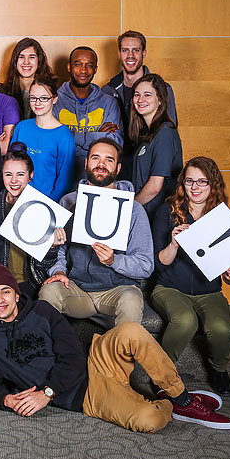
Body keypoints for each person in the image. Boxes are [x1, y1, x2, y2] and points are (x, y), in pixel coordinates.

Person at [0, 261, 230, 432]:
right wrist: (5, 399)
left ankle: (181, 397)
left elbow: (73, 355)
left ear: (16, 294)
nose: (0, 300)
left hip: (95, 360)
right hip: (86, 396)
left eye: (5, 291)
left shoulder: (41, 310)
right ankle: (166, 403)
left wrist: (47, 393)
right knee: (150, 420)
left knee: (132, 330)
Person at [150, 157, 230, 397]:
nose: (195, 187)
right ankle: (162, 375)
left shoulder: (222, 216)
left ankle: (219, 370)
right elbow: (159, 263)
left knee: (222, 328)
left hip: (208, 291)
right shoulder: (167, 211)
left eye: (202, 181)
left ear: (213, 184)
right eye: (190, 181)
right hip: (169, 288)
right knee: (185, 320)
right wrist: (173, 243)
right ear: (183, 183)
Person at [38, 139, 154, 326]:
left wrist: (114, 260)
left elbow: (145, 265)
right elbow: (59, 247)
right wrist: (58, 270)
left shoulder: (134, 209)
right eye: (95, 158)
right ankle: (47, 354)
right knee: (48, 292)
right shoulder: (68, 201)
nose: (101, 164)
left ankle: (115, 355)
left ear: (117, 168)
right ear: (86, 163)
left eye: (109, 160)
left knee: (131, 301)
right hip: (77, 288)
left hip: (118, 290)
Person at [0, 146, 66, 299]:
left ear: (31, 175)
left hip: (29, 282)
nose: (14, 180)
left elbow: (43, 266)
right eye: (8, 174)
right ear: (2, 175)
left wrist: (52, 247)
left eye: (20, 174)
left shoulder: (43, 209)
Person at [53, 46, 122, 185]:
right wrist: (98, 135)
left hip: (99, 182)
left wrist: (73, 136)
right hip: (60, 179)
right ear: (69, 67)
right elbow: (54, 141)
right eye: (78, 64)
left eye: (89, 65)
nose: (83, 70)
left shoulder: (109, 102)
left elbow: (116, 143)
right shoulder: (54, 100)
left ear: (95, 69)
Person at [9, 77, 75, 201]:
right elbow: (10, 164)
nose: (37, 103)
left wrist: (47, 205)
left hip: (46, 202)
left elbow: (64, 181)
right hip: (17, 199)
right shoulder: (21, 128)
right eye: (33, 98)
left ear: (54, 99)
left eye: (44, 98)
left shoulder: (64, 136)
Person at [128, 73, 182, 216]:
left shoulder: (165, 133)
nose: (140, 100)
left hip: (157, 215)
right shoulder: (148, 134)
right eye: (137, 94)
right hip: (145, 212)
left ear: (159, 100)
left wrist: (130, 208)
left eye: (147, 95)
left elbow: (155, 187)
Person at [103, 30, 178, 133]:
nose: (130, 55)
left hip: (149, 148)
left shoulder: (163, 89)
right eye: (125, 50)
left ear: (144, 53)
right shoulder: (107, 91)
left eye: (136, 50)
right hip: (117, 148)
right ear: (119, 54)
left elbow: (170, 132)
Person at [0, 37, 56, 119]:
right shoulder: (2, 92)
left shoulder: (50, 91)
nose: (26, 62)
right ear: (15, 61)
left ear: (39, 61)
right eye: (21, 57)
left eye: (32, 57)